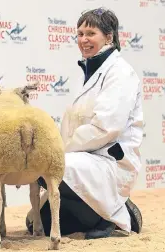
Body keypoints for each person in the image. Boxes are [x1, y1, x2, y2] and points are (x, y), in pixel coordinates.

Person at [26, 7, 143, 239]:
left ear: (109, 37)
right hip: (83, 157)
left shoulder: (121, 73)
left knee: (50, 165)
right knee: (38, 224)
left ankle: (117, 216)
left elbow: (106, 127)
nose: (83, 39)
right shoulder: (86, 72)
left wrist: (57, 151)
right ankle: (99, 211)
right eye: (79, 33)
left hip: (109, 161)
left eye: (91, 33)